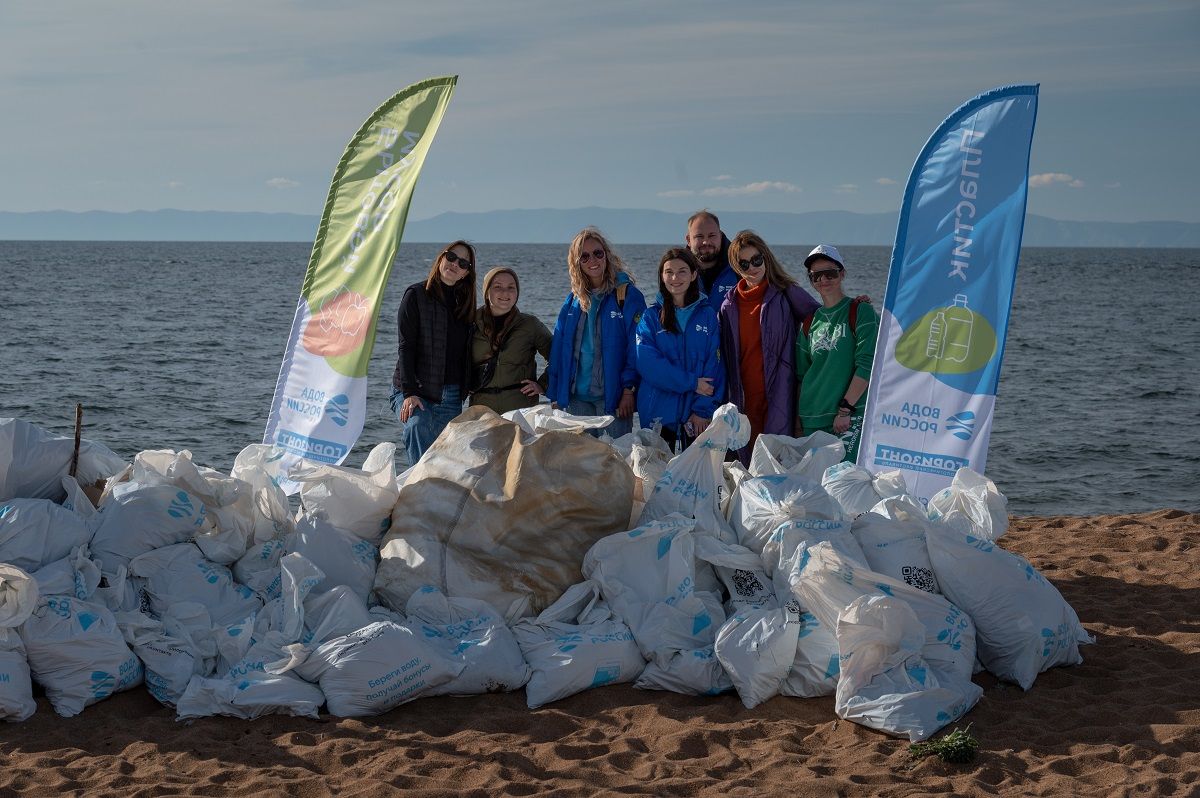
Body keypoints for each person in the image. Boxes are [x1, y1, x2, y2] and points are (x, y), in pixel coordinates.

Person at [718, 230, 819, 465]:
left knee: (776, 459)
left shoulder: (785, 291)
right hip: (743, 395)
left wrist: (853, 306)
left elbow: (823, 319)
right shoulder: (729, 305)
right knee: (747, 459)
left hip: (778, 391)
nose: (752, 267)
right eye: (744, 263)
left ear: (766, 257)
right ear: (735, 266)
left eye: (756, 259)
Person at [547, 227, 646, 438]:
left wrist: (629, 391)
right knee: (582, 466)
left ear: (606, 255)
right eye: (584, 256)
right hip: (576, 399)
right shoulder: (573, 301)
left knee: (615, 462)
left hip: (613, 397)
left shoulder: (627, 295)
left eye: (597, 253)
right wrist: (555, 394)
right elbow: (559, 350)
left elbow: (637, 348)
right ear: (576, 263)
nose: (592, 259)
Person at [391, 240, 476, 465]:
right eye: (451, 257)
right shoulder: (416, 295)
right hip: (415, 389)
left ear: (467, 273)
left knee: (443, 459)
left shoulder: (465, 305)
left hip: (451, 396)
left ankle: (435, 497)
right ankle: (418, 494)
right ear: (441, 258)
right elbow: (405, 346)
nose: (455, 264)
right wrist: (409, 393)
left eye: (463, 262)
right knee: (417, 428)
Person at [634, 248, 724, 451]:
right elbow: (648, 365)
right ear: (662, 276)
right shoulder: (651, 318)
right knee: (656, 476)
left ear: (693, 275)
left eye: (682, 271)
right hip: (658, 410)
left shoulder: (708, 315)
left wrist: (702, 409)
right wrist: (691, 382)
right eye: (669, 272)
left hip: (695, 413)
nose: (675, 277)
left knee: (693, 479)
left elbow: (714, 363)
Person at [795, 244, 878, 463]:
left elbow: (867, 363)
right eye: (816, 276)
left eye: (830, 273)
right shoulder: (809, 322)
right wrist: (798, 422)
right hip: (812, 418)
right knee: (816, 489)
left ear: (842, 274)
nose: (823, 280)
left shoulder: (860, 311)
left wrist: (845, 409)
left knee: (845, 483)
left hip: (847, 416)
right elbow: (802, 376)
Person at [468, 266, 552, 415]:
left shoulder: (530, 325)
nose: (505, 293)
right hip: (482, 410)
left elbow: (558, 356)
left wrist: (542, 384)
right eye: (497, 287)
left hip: (521, 409)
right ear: (487, 292)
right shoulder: (470, 324)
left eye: (511, 287)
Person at [685, 210, 738, 314]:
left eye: (712, 235)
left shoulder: (741, 267)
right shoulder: (677, 272)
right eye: (699, 236)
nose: (706, 242)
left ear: (720, 236)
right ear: (688, 240)